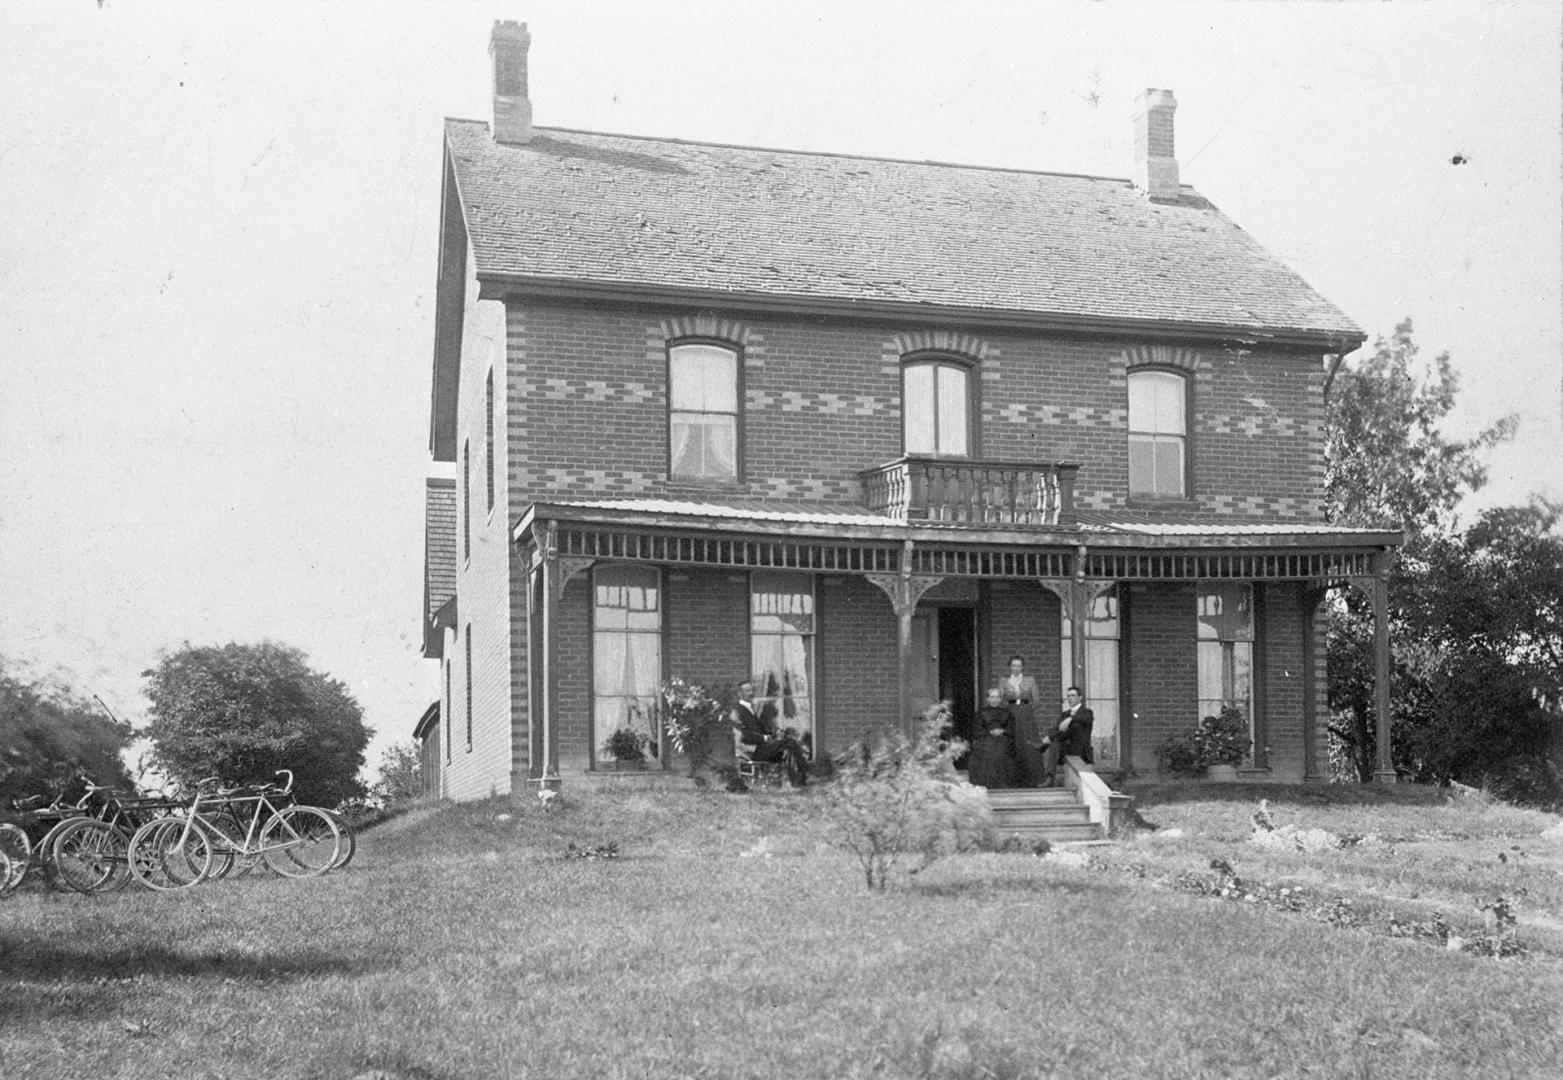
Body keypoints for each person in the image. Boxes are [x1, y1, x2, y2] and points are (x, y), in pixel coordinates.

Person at [731, 680, 809, 787]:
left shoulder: (749, 708)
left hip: (761, 747)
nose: (751, 693)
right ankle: (803, 777)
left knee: (787, 748)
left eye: (752, 690)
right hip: (751, 750)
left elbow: (758, 731)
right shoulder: (737, 710)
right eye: (748, 690)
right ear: (739, 693)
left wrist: (773, 736)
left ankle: (798, 781)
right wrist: (764, 738)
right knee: (789, 743)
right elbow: (744, 735)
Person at [1001, 655, 1045, 787]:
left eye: (1019, 666)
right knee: (1013, 742)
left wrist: (1026, 712)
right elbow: (1001, 700)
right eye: (1013, 665)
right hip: (1010, 712)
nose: (1016, 668)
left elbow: (1036, 701)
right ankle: (1012, 779)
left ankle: (1032, 779)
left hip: (1026, 714)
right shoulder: (1003, 681)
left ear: (1023, 667)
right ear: (1010, 667)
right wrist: (1009, 710)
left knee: (1027, 743)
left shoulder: (1030, 680)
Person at [1038, 685, 1095, 787]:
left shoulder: (1087, 712)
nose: (1070, 698)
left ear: (1080, 698)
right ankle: (1049, 778)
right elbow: (1057, 729)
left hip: (1081, 750)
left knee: (1074, 726)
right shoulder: (1064, 714)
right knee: (1055, 739)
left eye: (1073, 695)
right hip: (1066, 749)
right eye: (1068, 696)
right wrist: (1049, 736)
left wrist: (1071, 719)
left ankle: (1043, 746)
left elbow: (1086, 720)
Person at [966, 688, 1021, 789]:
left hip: (1003, 739)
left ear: (1000, 699)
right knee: (988, 752)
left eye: (997, 697)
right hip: (985, 739)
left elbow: (1012, 730)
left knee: (1002, 752)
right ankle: (986, 783)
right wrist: (990, 732)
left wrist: (1002, 731)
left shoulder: (1007, 713)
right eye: (992, 697)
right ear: (987, 699)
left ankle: (1003, 784)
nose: (994, 700)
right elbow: (977, 731)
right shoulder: (981, 713)